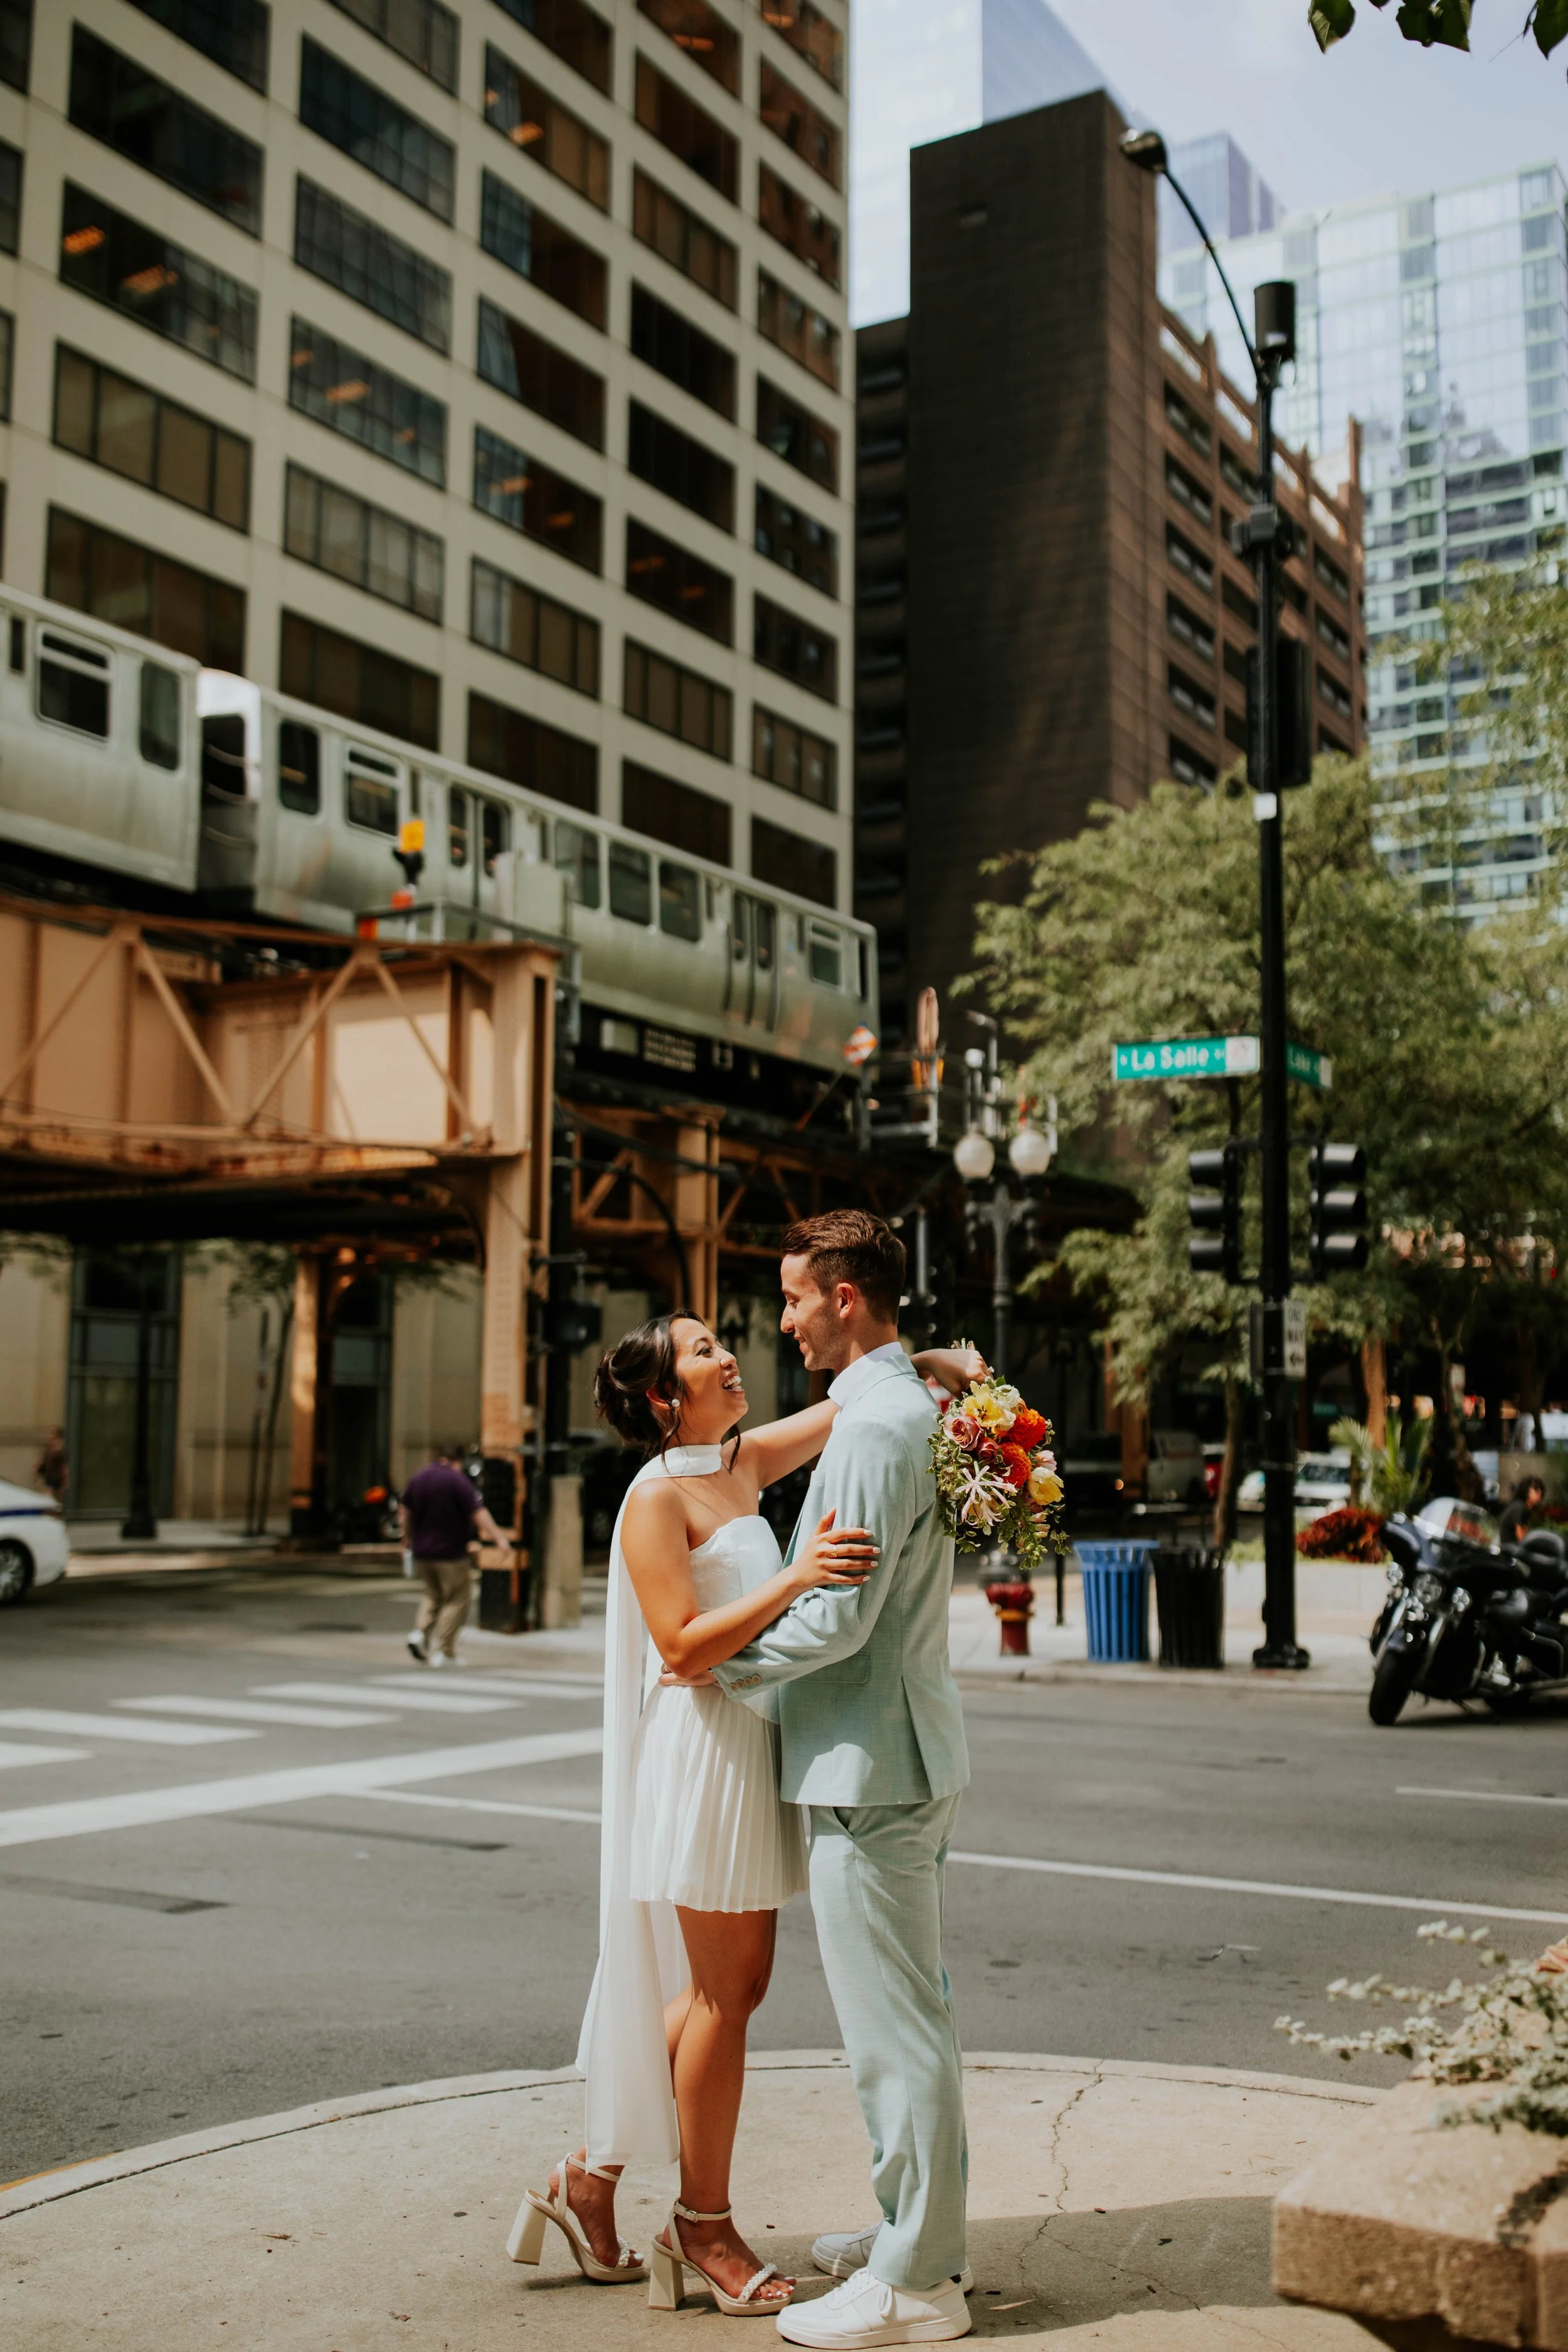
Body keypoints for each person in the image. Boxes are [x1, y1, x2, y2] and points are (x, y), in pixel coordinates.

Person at [506, 1283, 979, 2335]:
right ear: (665, 1396)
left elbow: (861, 1402)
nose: (731, 1357)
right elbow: (680, 1646)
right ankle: (701, 2226)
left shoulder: (742, 1462)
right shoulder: (655, 1499)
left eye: (723, 1342)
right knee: (731, 1993)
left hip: (756, 1737)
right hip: (707, 1752)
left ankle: (593, 2166)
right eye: (705, 1350)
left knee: (726, 1991)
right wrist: (800, 1573)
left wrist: (945, 1368)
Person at [398, 1444, 511, 1667]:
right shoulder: (457, 1481)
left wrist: (407, 1537)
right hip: (450, 1552)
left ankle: (419, 1634)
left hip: (423, 1552)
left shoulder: (420, 1477)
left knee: (433, 1595)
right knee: (458, 1598)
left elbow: (405, 1510)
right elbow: (478, 1513)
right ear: (457, 1461)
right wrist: (499, 1538)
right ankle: (445, 1650)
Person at [1498, 1474, 1545, 1549]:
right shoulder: (1520, 1508)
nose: (1539, 1494)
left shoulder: (1525, 1509)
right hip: (1510, 1550)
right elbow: (1521, 1537)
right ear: (1527, 1490)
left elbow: (1525, 1534)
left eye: (1541, 1491)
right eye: (1536, 1490)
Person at [35, 1426, 66, 1509]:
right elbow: (43, 1460)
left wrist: (65, 1480)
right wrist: (37, 1469)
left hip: (57, 1477)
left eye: (53, 1433)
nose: (50, 1436)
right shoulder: (49, 1448)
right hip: (50, 1477)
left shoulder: (60, 1449)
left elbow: (64, 1466)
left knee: (57, 1497)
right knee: (48, 1494)